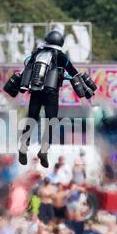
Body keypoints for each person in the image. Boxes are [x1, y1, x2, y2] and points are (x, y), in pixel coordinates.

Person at [17, 31, 82, 168]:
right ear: (60, 43)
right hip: (51, 94)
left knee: (32, 118)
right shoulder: (61, 57)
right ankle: (44, 150)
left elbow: (27, 68)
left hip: (35, 91)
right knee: (51, 121)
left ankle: (23, 145)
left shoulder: (37, 53)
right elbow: (73, 72)